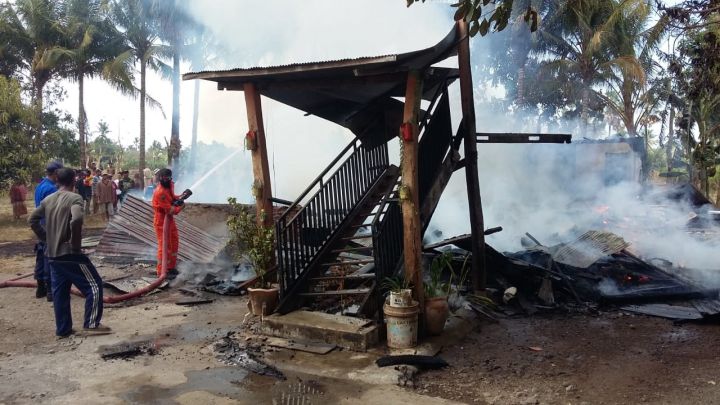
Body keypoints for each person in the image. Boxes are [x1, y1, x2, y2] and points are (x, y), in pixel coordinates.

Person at [28, 168, 110, 338]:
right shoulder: (75, 198)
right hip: (70, 254)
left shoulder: (48, 199)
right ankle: (92, 324)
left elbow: (32, 220)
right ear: (74, 181)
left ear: (57, 181)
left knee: (60, 292)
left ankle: (63, 329)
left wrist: (46, 238)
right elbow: (77, 218)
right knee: (94, 285)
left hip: (52, 254)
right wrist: (75, 243)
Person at [33, 161, 63, 300]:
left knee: (40, 252)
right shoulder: (52, 189)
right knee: (49, 255)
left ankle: (40, 288)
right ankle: (51, 290)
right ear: (56, 173)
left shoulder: (40, 186)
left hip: (40, 224)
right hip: (49, 225)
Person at [152, 168, 185, 280]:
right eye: (163, 178)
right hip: (161, 220)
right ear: (160, 178)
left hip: (169, 220)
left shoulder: (170, 184)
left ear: (171, 178)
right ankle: (161, 270)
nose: (166, 180)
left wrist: (180, 197)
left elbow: (172, 197)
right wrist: (180, 206)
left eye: (168, 178)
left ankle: (170, 267)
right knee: (164, 246)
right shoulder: (160, 192)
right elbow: (171, 210)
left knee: (174, 241)